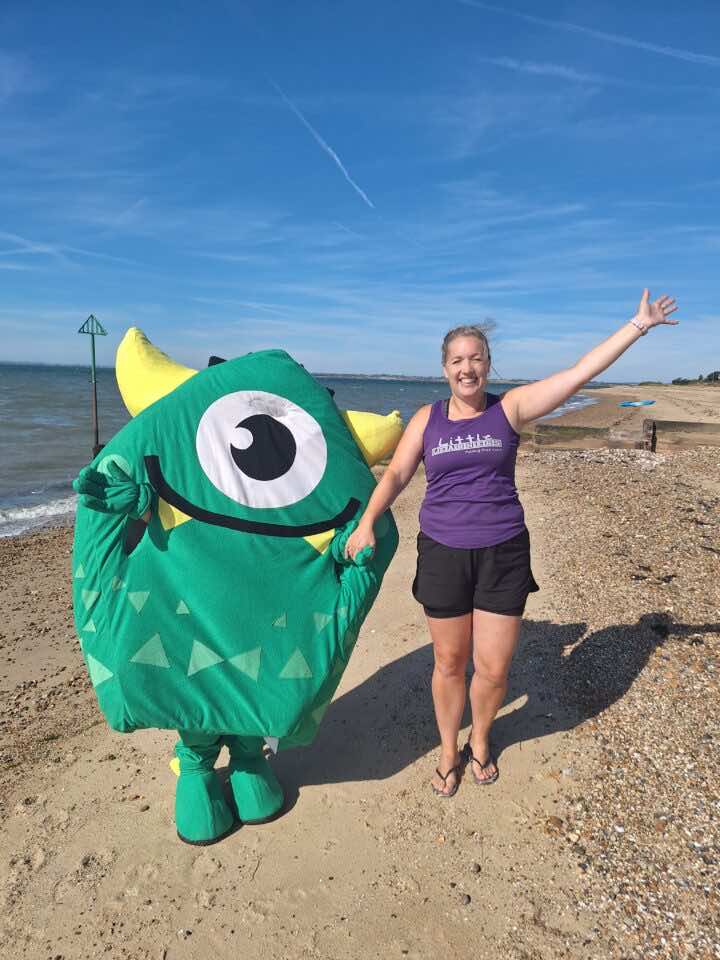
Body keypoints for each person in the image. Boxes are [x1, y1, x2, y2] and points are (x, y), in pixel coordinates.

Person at [345, 289, 678, 796]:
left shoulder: (511, 409)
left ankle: (480, 737)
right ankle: (448, 748)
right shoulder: (426, 420)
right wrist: (369, 519)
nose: (467, 368)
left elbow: (578, 374)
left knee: (495, 668)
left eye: (476, 358)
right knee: (450, 664)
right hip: (443, 552)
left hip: (503, 551)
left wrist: (638, 325)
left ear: (488, 365)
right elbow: (394, 476)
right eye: (457, 360)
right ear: (444, 369)